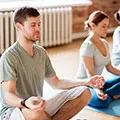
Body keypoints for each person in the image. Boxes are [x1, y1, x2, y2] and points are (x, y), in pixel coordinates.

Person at [0, 6, 104, 120]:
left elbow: (56, 83)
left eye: (39, 24)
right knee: (37, 114)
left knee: (85, 92)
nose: (38, 29)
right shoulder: (9, 56)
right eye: (33, 25)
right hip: (14, 110)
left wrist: (86, 81)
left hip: (37, 106)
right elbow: (8, 95)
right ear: (19, 27)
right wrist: (25, 102)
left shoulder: (41, 52)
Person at [76, 10, 120, 108]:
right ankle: (113, 96)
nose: (106, 29)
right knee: (102, 102)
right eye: (103, 26)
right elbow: (90, 75)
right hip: (86, 85)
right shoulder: (87, 46)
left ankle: (109, 95)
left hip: (99, 83)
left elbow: (110, 68)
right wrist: (98, 90)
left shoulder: (104, 43)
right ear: (93, 25)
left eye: (107, 26)